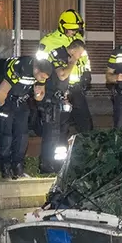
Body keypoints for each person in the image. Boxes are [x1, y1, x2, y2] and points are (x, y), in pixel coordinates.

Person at [0, 55, 53, 179]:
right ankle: (5, 167)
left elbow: (39, 95)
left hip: (21, 102)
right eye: (42, 77)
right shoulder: (20, 67)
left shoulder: (41, 74)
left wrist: (38, 94)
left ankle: (18, 167)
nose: (43, 79)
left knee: (22, 136)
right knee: (6, 136)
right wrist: (3, 109)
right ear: (36, 69)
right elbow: (1, 91)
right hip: (6, 100)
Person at [36, 9, 93, 134]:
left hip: (76, 88)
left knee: (86, 125)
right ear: (62, 26)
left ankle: (86, 150)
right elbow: (40, 65)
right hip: (58, 89)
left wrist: (87, 71)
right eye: (71, 29)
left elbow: (85, 59)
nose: (73, 32)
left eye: (76, 29)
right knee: (62, 126)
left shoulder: (78, 39)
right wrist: (42, 84)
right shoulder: (48, 41)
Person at [38, 39, 87, 174]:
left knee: (62, 133)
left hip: (60, 100)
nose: (80, 56)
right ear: (74, 49)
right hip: (51, 100)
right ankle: (46, 165)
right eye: (80, 53)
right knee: (51, 134)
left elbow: (64, 82)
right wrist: (72, 61)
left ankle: (58, 163)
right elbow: (62, 75)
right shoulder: (58, 54)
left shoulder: (65, 56)